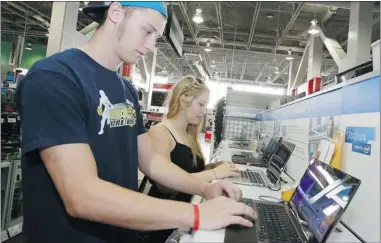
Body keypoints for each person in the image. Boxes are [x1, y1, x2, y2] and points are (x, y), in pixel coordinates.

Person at [16, 2, 257, 243]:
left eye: (157, 36)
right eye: (147, 30)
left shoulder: (126, 89)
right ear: (116, 13)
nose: (151, 45)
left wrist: (203, 188)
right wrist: (195, 214)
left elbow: (151, 161)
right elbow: (81, 195)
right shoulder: (56, 77)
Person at [140, 77, 241, 242]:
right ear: (183, 98)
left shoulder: (189, 134)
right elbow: (166, 186)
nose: (203, 112)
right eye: (200, 104)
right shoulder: (160, 133)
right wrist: (214, 174)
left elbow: (189, 171)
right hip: (163, 218)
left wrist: (212, 167)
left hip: (186, 211)